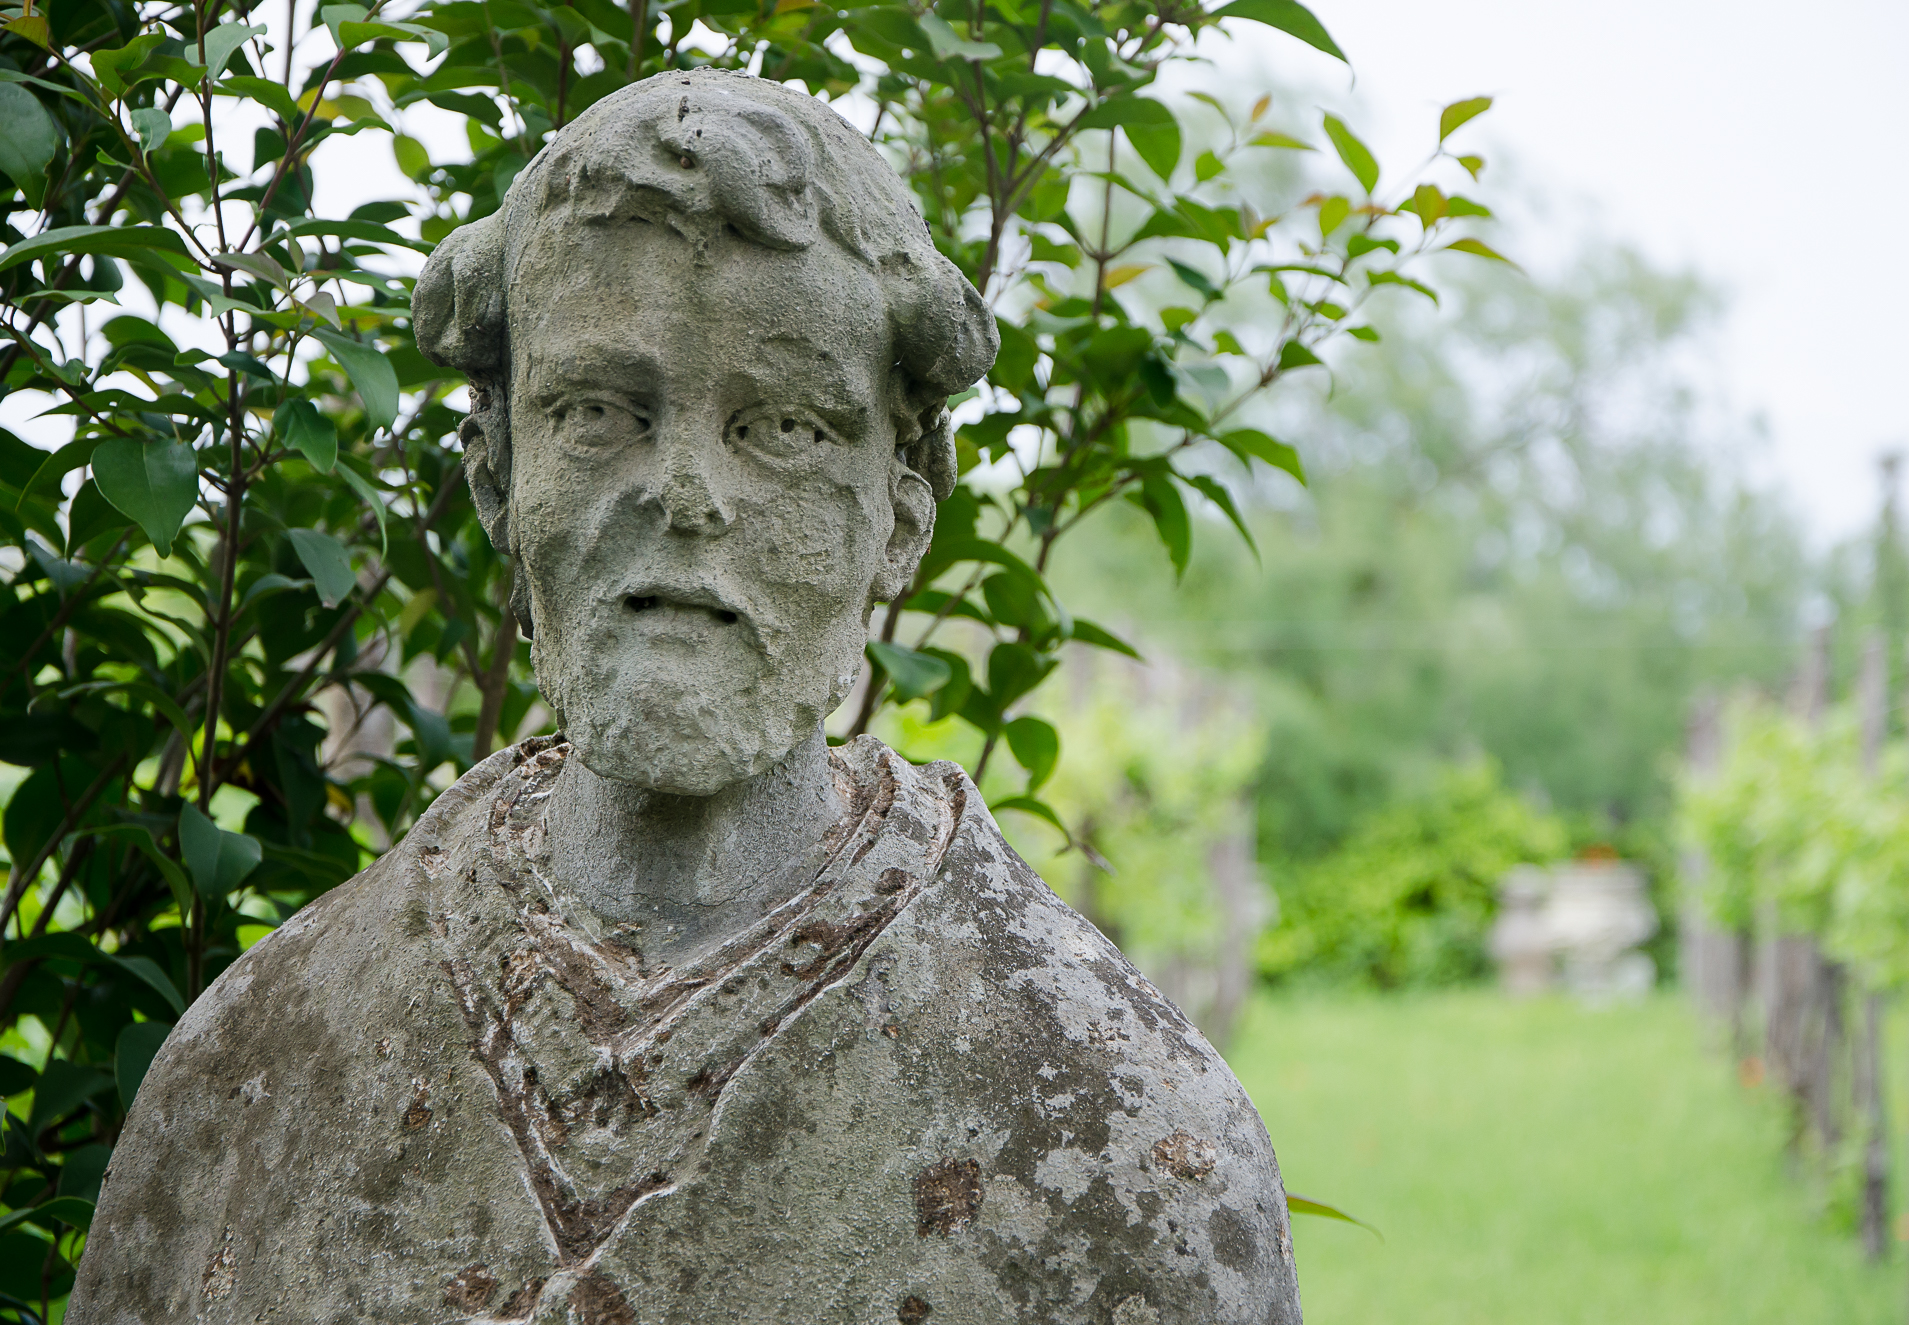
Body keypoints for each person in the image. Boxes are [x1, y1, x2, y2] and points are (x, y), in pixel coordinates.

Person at [71, 70, 1301, 1324]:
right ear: (497, 471)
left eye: (781, 427)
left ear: (902, 507)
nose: (685, 495)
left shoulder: (1116, 1133)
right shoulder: (256, 1076)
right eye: (599, 412)